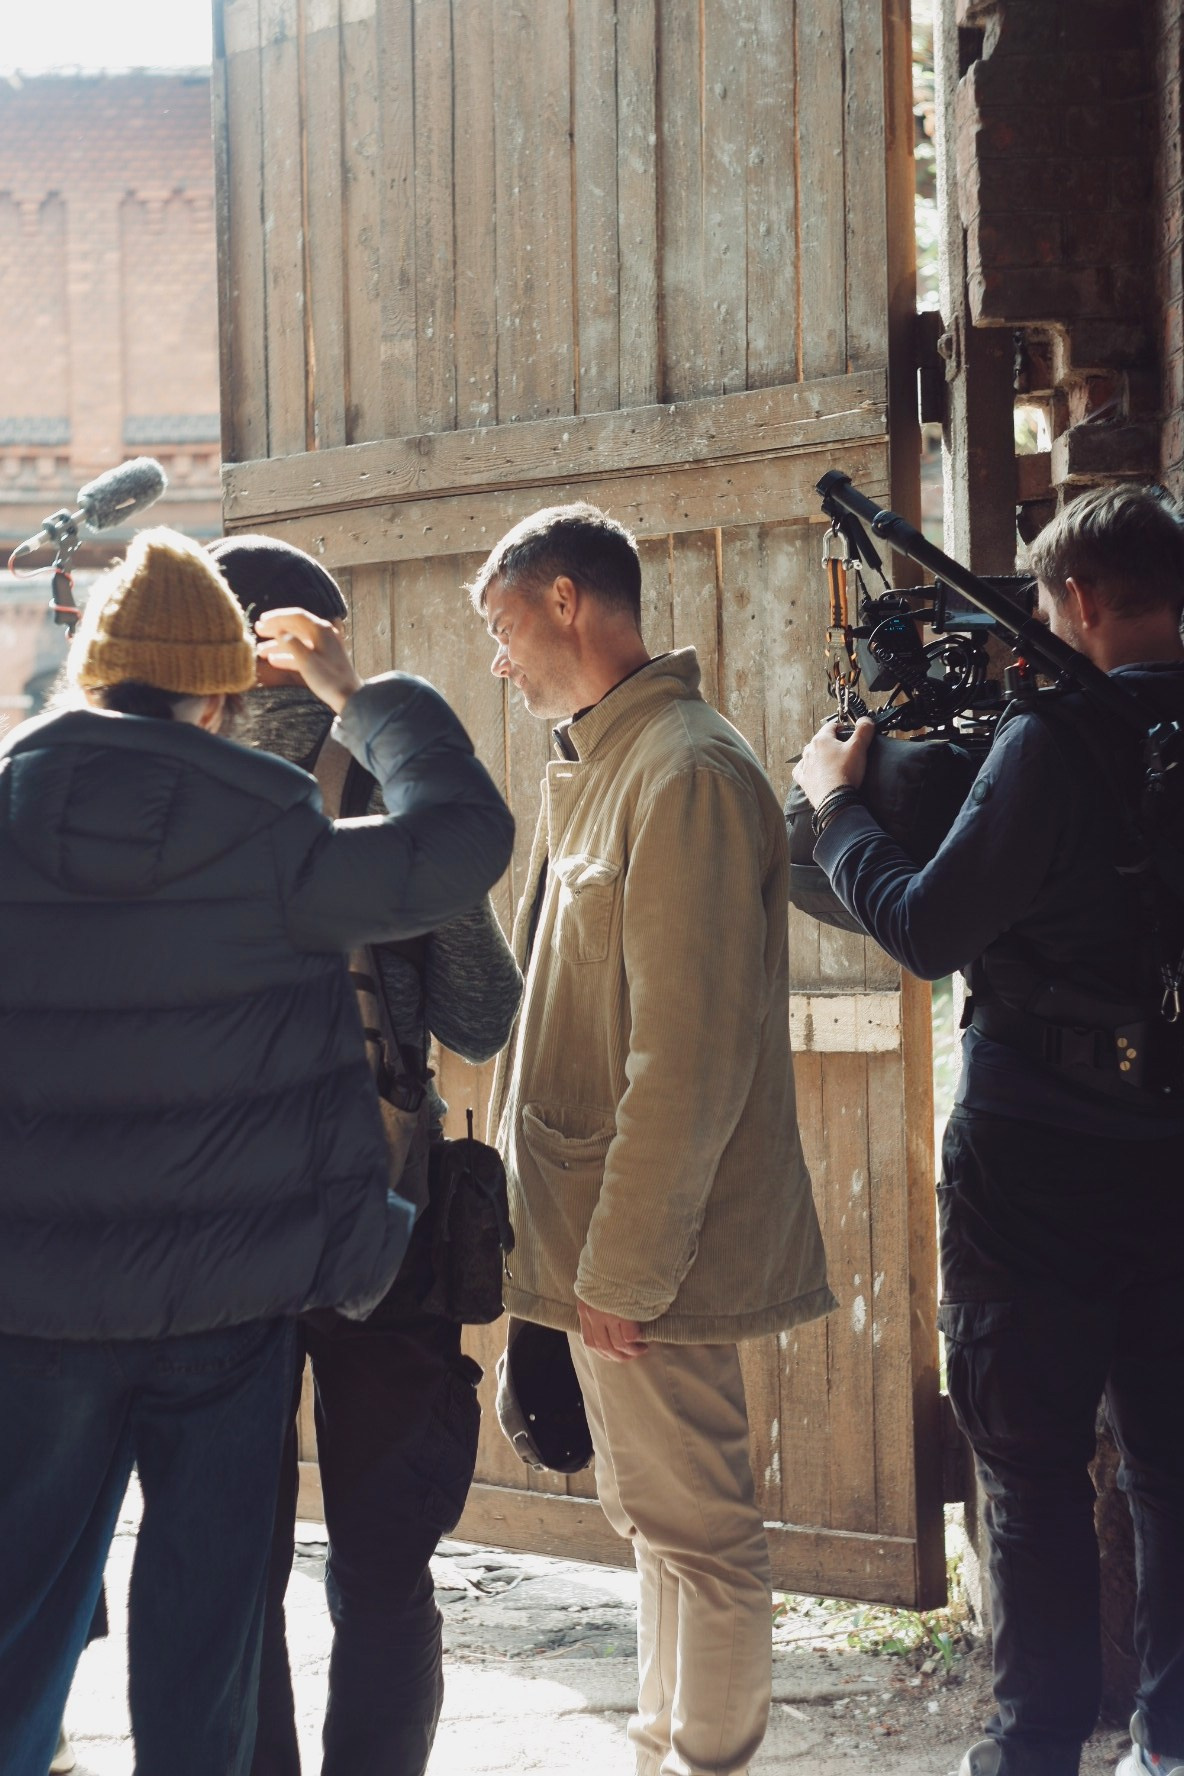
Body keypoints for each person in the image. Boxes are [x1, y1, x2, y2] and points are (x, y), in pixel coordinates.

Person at [0, 528, 514, 1776]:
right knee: (209, 1635)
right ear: (226, 683)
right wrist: (367, 697)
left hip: (36, 1304)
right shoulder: (277, 830)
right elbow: (465, 859)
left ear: (91, 665)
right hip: (239, 1294)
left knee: (20, 1624)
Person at [792, 484, 1184, 1776]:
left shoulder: (1053, 743)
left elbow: (922, 926)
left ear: (1072, 603)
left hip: (1034, 1164)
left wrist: (836, 805)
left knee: (1030, 1467)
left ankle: (1034, 1752)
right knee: (1175, 1470)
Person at [468, 501, 834, 1776]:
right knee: (652, 1520)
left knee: (699, 1529)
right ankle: (664, 1748)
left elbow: (683, 1054)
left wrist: (620, 1268)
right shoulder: (602, 760)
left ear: (568, 599)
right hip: (594, 1243)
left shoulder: (683, 769)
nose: (499, 660)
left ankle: (709, 1759)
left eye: (505, 626)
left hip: (641, 1252)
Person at [208, 533, 522, 1776]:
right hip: (382, 1231)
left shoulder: (163, 794)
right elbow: (483, 1016)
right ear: (324, 643)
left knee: (230, 1569)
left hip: (213, 1238)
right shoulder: (388, 794)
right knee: (385, 1575)